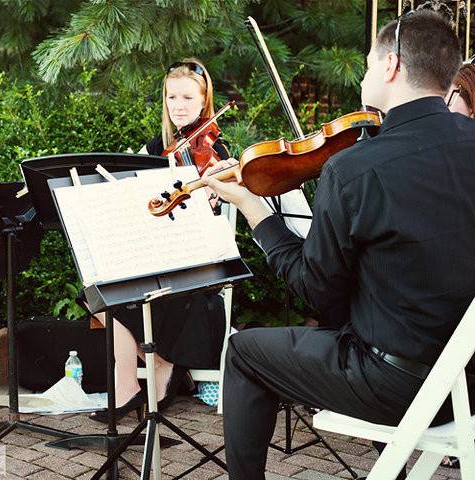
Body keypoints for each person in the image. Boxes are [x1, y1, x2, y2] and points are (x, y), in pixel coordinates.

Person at [202, 11, 475, 480]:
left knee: (245, 351)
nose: (366, 75)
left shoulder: (355, 169)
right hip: (466, 384)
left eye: (369, 65)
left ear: (391, 66)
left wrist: (256, 212)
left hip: (400, 388)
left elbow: (316, 293)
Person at [89, 58, 228, 423]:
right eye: (171, 98)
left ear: (203, 102)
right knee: (98, 289)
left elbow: (219, 213)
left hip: (196, 259)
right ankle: (139, 378)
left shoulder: (216, 151)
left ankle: (146, 378)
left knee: (130, 292)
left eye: (187, 98)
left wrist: (216, 192)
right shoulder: (156, 149)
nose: (179, 106)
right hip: (157, 252)